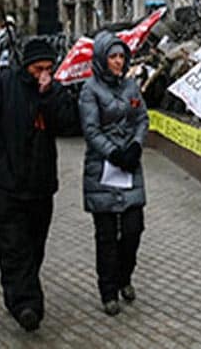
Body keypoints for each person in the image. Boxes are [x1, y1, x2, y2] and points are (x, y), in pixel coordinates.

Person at [0, 37, 80, 332]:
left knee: (34, 247)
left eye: (48, 68)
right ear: (26, 65)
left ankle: (17, 293)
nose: (43, 73)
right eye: (38, 68)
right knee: (13, 246)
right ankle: (27, 305)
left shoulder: (54, 90)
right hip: (5, 183)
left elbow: (69, 124)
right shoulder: (1, 86)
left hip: (41, 185)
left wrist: (50, 94)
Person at [78, 31, 148, 316]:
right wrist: (113, 152)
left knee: (133, 229)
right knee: (106, 236)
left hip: (130, 166)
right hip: (103, 169)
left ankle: (124, 277)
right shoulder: (90, 90)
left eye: (121, 56)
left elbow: (142, 118)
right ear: (102, 60)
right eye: (113, 57)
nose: (118, 62)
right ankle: (108, 290)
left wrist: (134, 146)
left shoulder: (131, 87)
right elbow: (91, 130)